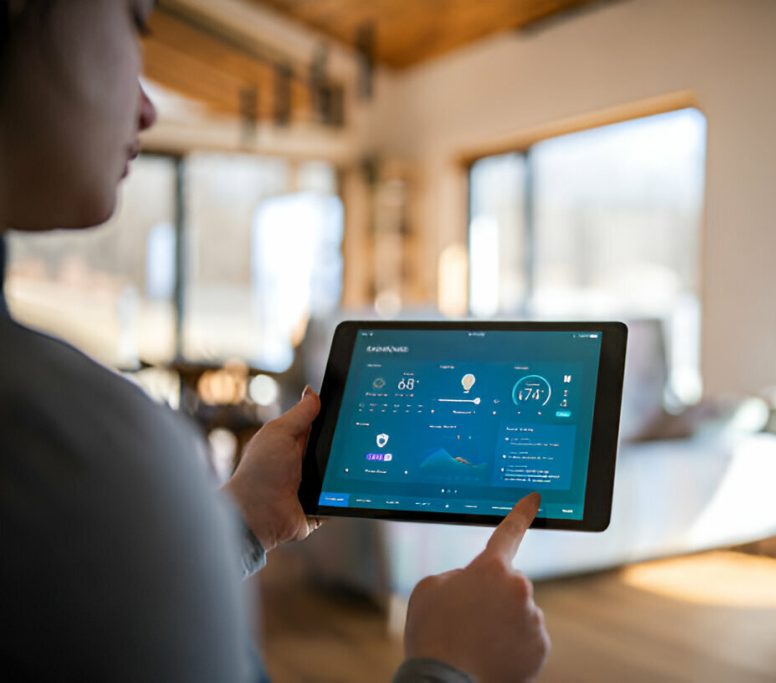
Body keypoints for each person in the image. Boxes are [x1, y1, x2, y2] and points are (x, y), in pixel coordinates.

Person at [0, 1, 550, 681]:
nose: (148, 107)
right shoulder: (73, 459)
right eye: (137, 22)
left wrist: (241, 522)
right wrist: (449, 665)